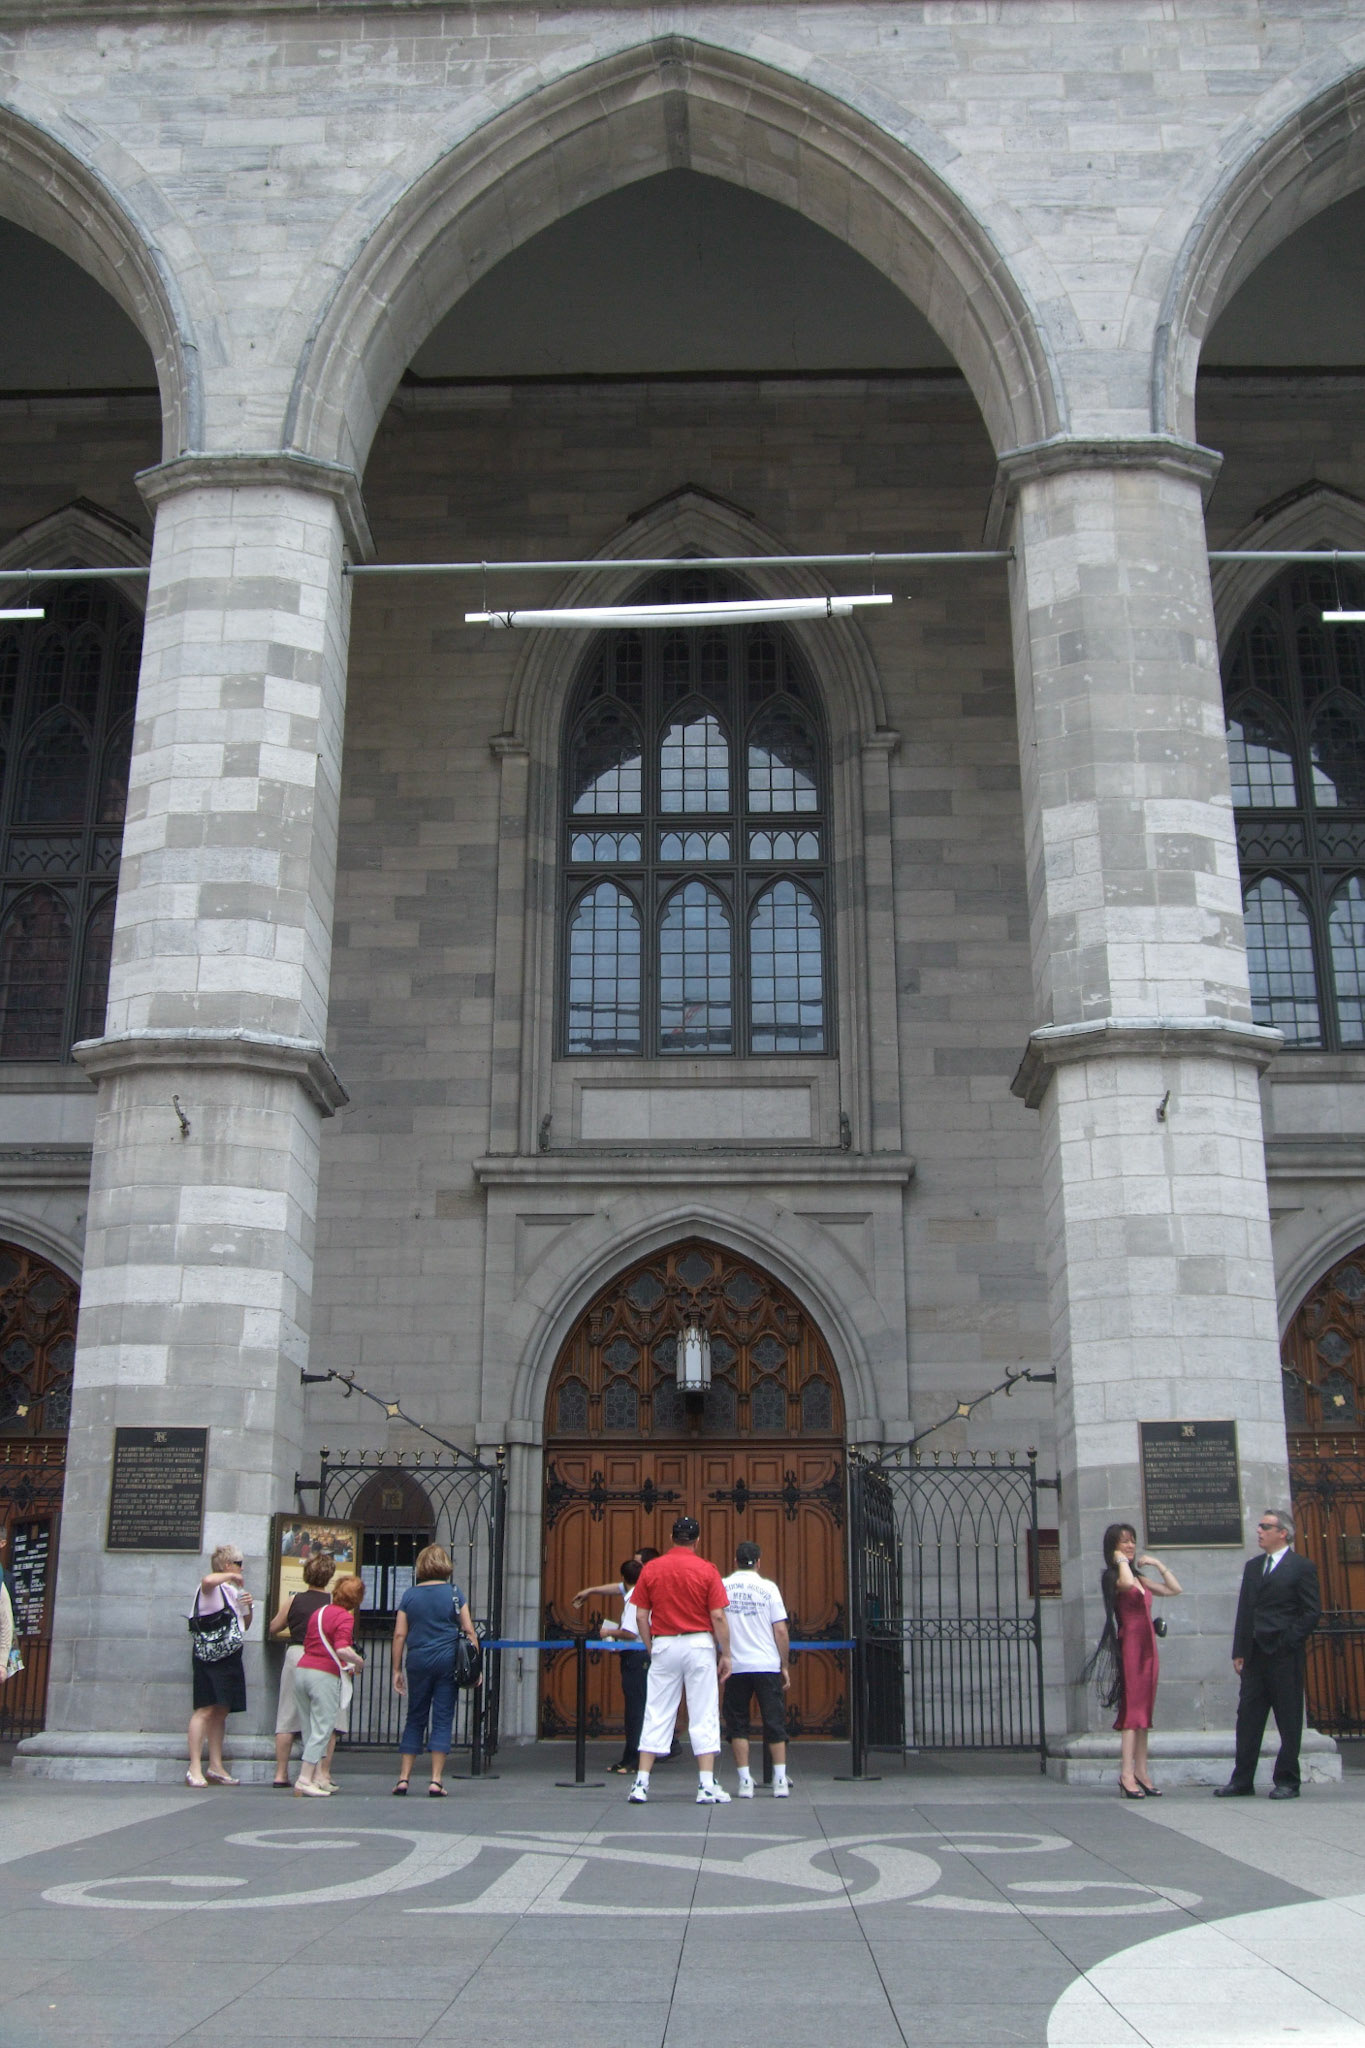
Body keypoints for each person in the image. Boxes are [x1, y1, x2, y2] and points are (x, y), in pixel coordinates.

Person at [1216, 1507, 1322, 1801]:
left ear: (1283, 1533)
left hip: (1284, 1655)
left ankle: (1287, 1779)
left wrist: (1289, 1640)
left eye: (1265, 1526)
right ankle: (1242, 1780)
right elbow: (1245, 1610)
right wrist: (1239, 1649)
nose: (1259, 1531)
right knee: (1247, 1718)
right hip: (1254, 1656)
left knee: (1288, 1718)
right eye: (1260, 1526)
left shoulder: (1301, 1567)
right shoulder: (1253, 1567)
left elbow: (1311, 1611)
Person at [627, 1515, 732, 1805]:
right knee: (704, 1711)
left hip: (664, 1642)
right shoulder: (707, 1570)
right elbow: (718, 1615)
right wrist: (726, 1653)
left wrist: (651, 1646)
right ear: (698, 1540)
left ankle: (641, 1782)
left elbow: (639, 1615)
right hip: (698, 1643)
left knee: (657, 1710)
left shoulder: (652, 1569)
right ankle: (706, 1784)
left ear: (672, 1538)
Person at [1084, 1524, 1182, 1798]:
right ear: (1113, 1548)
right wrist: (1119, 1561)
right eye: (1123, 1542)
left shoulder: (1139, 1577)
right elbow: (1125, 1584)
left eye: (1132, 1541)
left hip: (1149, 1645)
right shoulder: (1114, 1577)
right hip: (1131, 1646)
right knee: (1131, 1712)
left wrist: (1158, 1564)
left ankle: (1142, 1771)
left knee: (1144, 1713)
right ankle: (1126, 1773)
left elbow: (1174, 1589)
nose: (1129, 1546)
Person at [391, 1542, 481, 1797]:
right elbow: (469, 1630)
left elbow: (399, 1634)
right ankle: (436, 1779)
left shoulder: (409, 1595)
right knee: (442, 1717)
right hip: (447, 1660)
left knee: (415, 1716)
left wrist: (396, 1669)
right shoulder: (454, 1593)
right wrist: (475, 1667)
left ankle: (403, 1778)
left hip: (418, 1660)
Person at [721, 1540, 792, 1798]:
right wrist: (784, 1664)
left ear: (735, 1561)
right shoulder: (768, 1588)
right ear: (759, 1562)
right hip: (766, 1664)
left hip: (737, 1665)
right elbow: (781, 1630)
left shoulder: (724, 1586)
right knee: (774, 1721)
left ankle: (744, 1780)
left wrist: (723, 1654)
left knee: (737, 1723)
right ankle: (780, 1779)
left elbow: (716, 1620)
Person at [267, 1549, 337, 1789]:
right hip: (323, 1658)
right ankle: (322, 1773)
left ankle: (280, 1773)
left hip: (296, 1654)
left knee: (287, 1716)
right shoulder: (332, 1603)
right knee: (325, 1716)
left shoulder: (294, 1600)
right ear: (329, 1576)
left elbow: (274, 1627)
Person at [186, 1543, 254, 1788]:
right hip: (209, 1656)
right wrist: (232, 1576)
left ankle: (216, 1765)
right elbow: (207, 1580)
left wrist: (248, 1606)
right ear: (227, 1566)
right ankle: (194, 1767)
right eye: (238, 1564)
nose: (242, 1568)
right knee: (204, 1709)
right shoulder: (212, 1588)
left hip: (230, 1655)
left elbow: (245, 1623)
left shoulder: (230, 1591)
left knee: (221, 1709)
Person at [294, 1573, 365, 1797]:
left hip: (302, 1669)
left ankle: (316, 1777)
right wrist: (359, 1662)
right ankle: (305, 1779)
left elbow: (308, 1641)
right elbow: (342, 1647)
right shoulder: (345, 1617)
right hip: (323, 1674)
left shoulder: (319, 1612)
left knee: (308, 1727)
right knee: (323, 1728)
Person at [598, 1557, 648, 1774]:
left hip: (636, 1659)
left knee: (635, 1710)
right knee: (638, 1708)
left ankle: (633, 1759)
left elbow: (630, 1632)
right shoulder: (642, 1595)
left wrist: (609, 1632)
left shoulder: (634, 1599)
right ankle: (632, 1757)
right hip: (641, 1656)